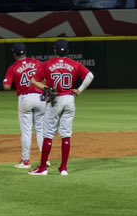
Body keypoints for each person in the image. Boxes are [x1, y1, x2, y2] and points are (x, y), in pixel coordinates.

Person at [28, 39, 94, 176]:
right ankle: (63, 168)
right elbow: (90, 76)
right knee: (66, 135)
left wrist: (46, 87)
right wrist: (79, 90)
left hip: (55, 99)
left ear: (54, 50)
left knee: (48, 135)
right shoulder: (75, 64)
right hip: (70, 99)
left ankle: (43, 169)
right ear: (68, 51)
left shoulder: (47, 64)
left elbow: (33, 80)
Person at [2, 42, 47, 168]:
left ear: (14, 55)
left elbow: (7, 86)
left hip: (25, 99)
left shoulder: (13, 67)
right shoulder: (37, 63)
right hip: (40, 97)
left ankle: (26, 161)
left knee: (26, 132)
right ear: (25, 52)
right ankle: (45, 160)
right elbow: (45, 79)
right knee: (41, 130)